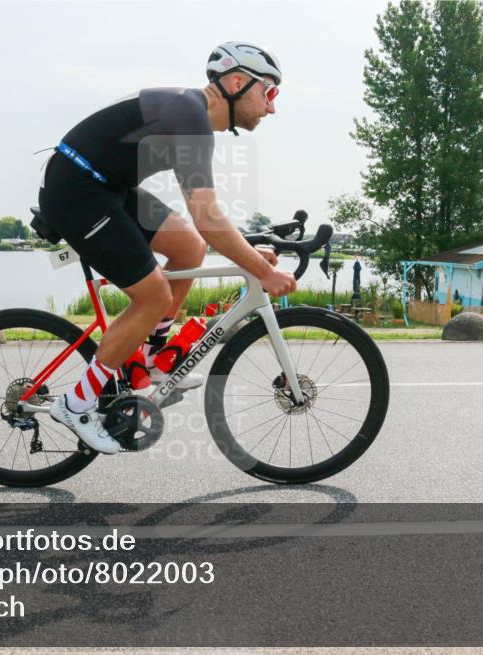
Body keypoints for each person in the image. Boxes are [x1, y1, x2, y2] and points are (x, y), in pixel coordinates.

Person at [40, 42, 298, 454]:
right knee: (153, 295)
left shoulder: (192, 117)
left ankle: (154, 360)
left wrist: (249, 251)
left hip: (106, 186)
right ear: (236, 83)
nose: (271, 108)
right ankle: (76, 404)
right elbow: (207, 214)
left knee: (188, 249)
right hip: (78, 188)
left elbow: (204, 222)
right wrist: (262, 271)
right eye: (269, 93)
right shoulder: (190, 116)